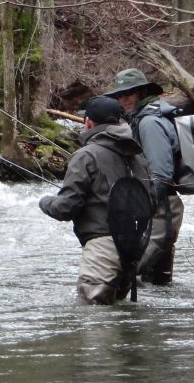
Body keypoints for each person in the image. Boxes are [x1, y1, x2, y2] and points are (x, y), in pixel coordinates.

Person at [39, 95, 154, 304]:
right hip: (135, 248)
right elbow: (152, 203)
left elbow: (65, 208)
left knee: (95, 321)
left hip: (103, 250)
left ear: (88, 122)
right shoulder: (139, 157)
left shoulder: (85, 156)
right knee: (120, 321)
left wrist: (45, 202)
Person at [104, 68, 183, 285]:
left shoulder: (149, 123)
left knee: (125, 274)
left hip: (162, 207)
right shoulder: (144, 117)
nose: (123, 99)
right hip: (159, 207)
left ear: (141, 91)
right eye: (119, 95)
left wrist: (144, 206)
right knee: (158, 284)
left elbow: (161, 174)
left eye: (128, 93)